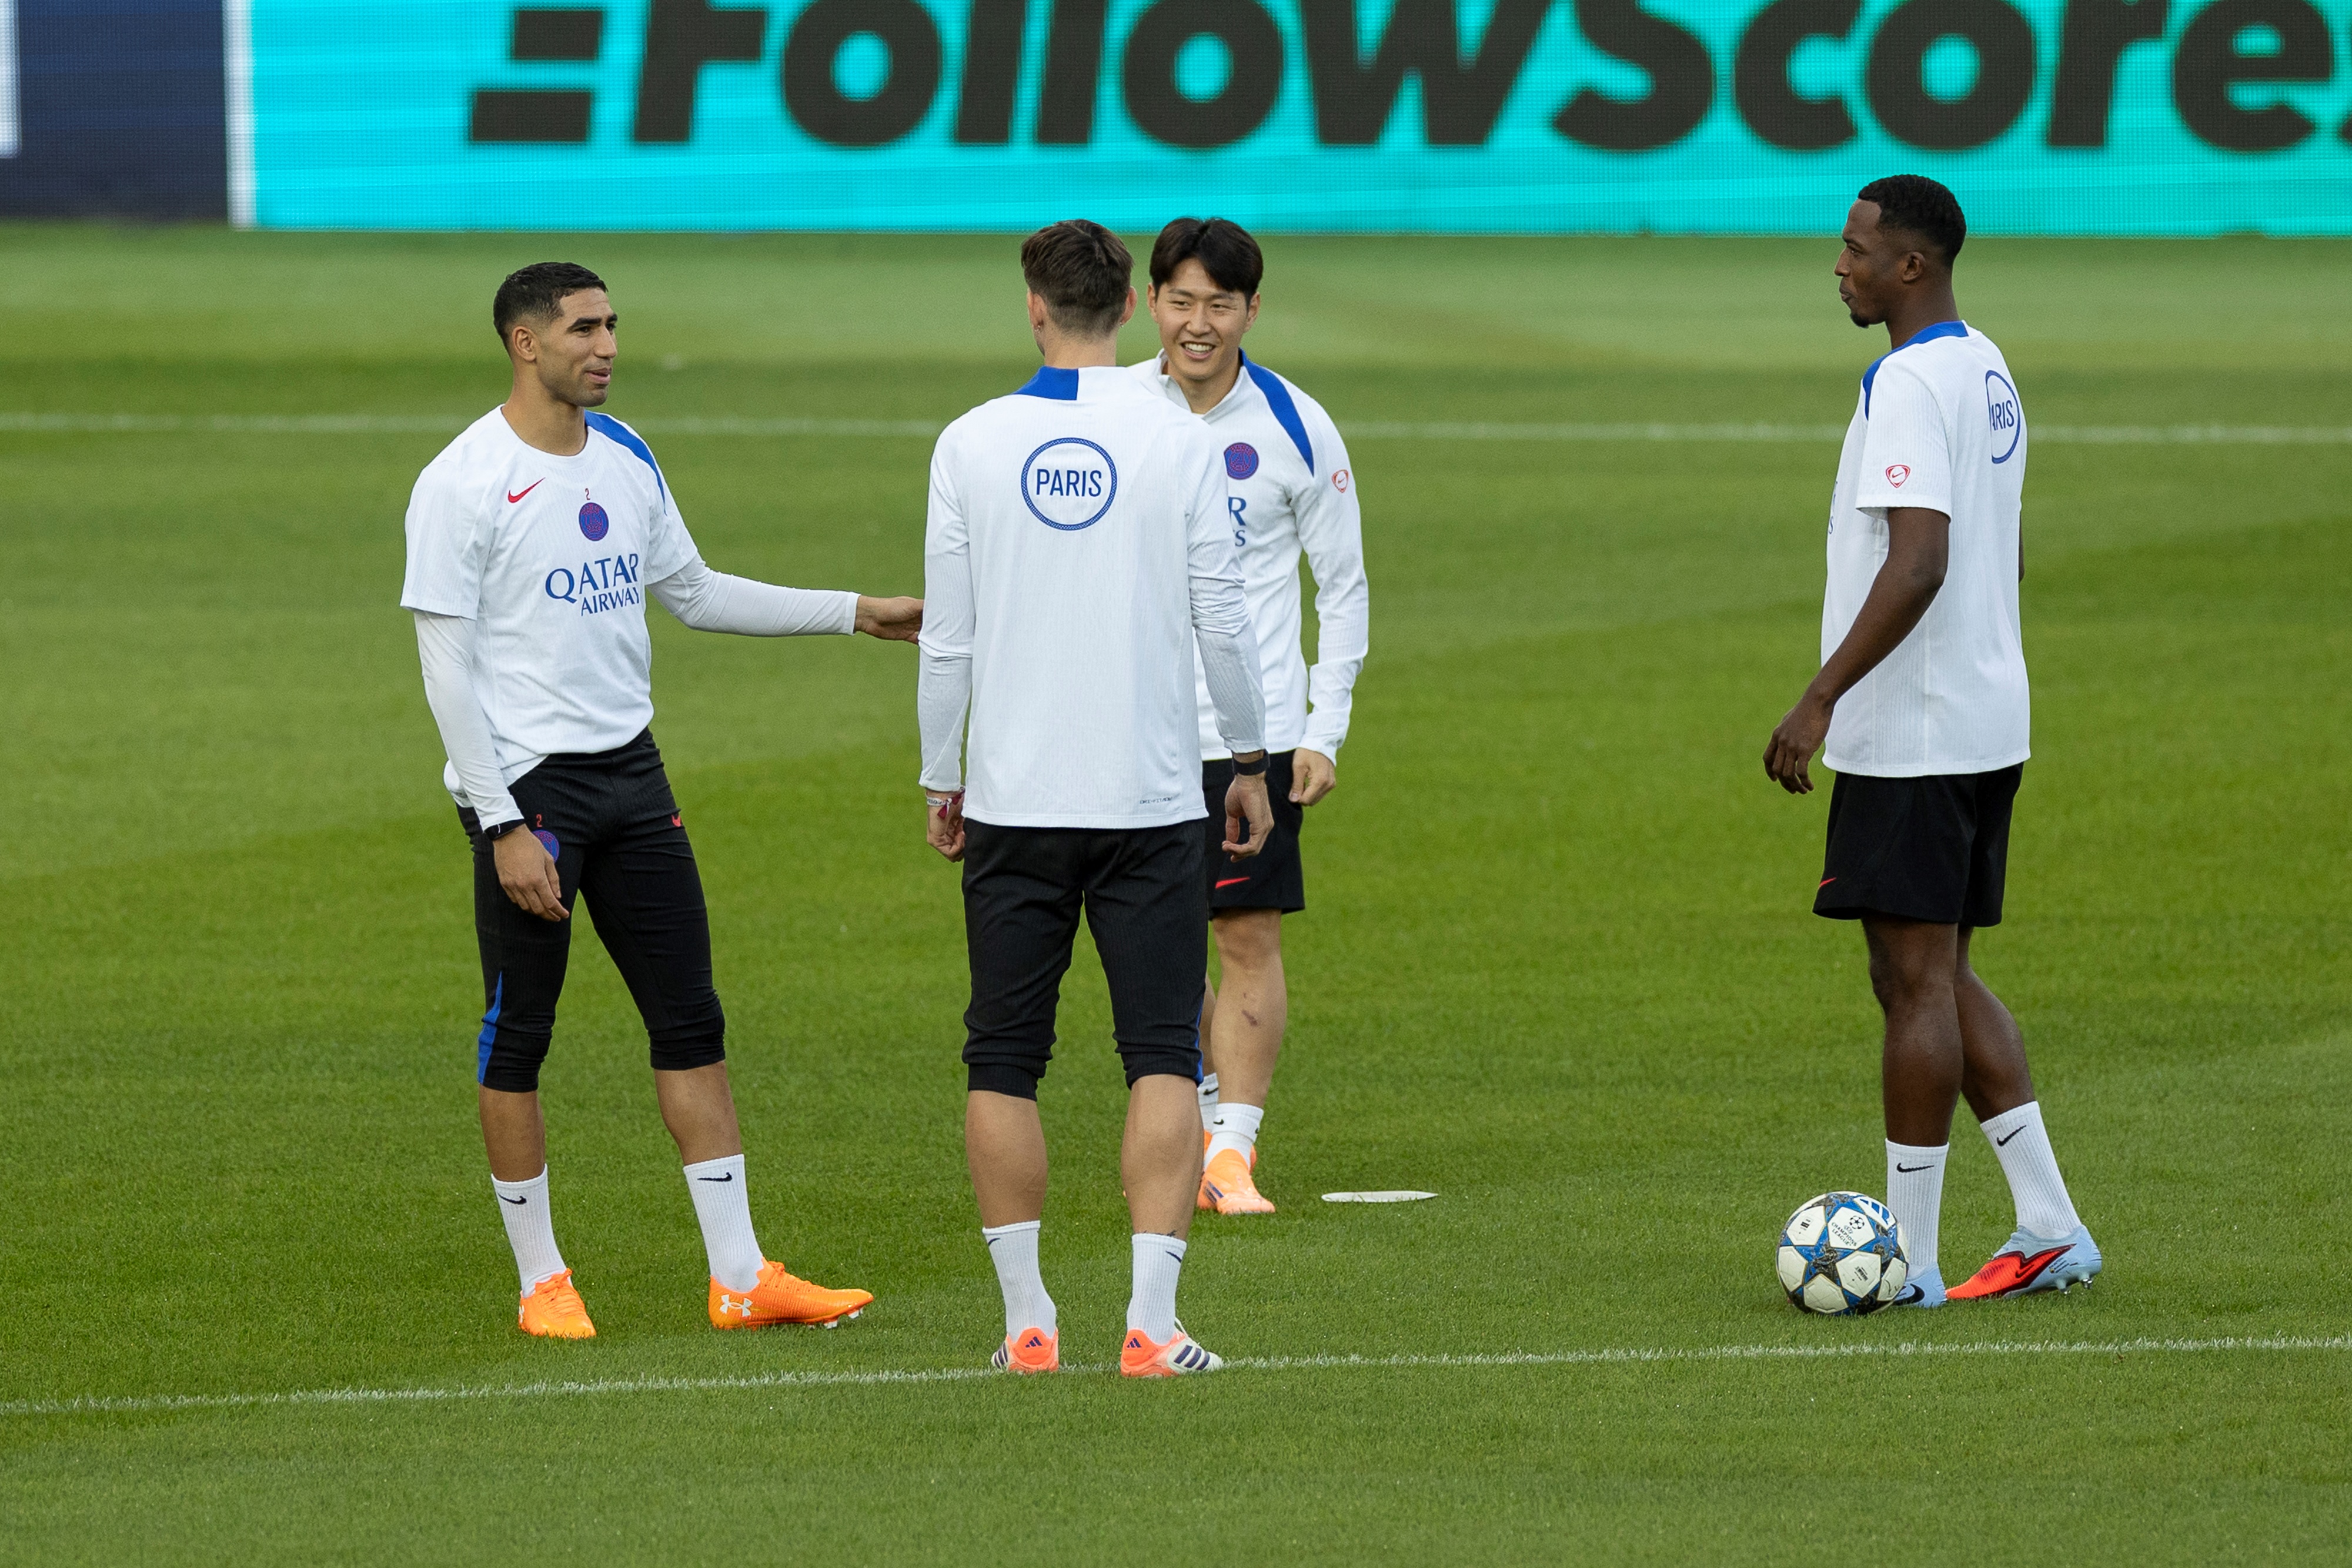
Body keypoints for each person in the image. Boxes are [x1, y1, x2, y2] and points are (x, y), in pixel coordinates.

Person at [402, 261, 920, 1339]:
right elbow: (444, 669)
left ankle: (741, 1277)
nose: (607, 346)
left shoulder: (628, 453)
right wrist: (501, 823)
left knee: (691, 1021)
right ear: (524, 343)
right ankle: (542, 1280)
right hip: (528, 790)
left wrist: (853, 612)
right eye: (584, 329)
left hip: (633, 777)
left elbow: (693, 591)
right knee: (519, 1036)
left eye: (613, 326)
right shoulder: (461, 481)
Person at [917, 220, 1274, 1378]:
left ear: (1032, 305)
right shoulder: (1176, 440)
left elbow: (947, 642)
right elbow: (1223, 617)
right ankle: (1149, 1324)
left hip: (1015, 800)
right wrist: (1250, 762)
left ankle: (1027, 1323)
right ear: (1129, 304)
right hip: (1148, 799)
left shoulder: (967, 443)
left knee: (1002, 1057)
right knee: (1161, 1054)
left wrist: (941, 774)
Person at [1765, 178, 2099, 1308]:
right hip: (1987, 715)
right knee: (1938, 972)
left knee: (1913, 982)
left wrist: (1819, 700)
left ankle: (1904, 1256)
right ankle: (2049, 1222)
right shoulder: (1985, 363)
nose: (1841, 266)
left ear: (1912, 266)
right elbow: (2000, 550)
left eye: (1858, 250)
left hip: (1915, 733)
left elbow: (1920, 558)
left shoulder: (1909, 381)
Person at [1131, 217, 1369, 1217]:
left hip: (1249, 740)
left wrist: (1324, 728)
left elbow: (1343, 585)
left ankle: (1233, 1151)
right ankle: (1202, 1113)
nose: (1198, 323)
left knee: (1245, 934)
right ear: (1152, 304)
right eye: (1181, 301)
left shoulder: (1297, 424)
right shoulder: (1116, 416)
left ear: (1252, 310)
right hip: (1131, 727)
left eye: (1219, 304)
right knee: (1157, 941)